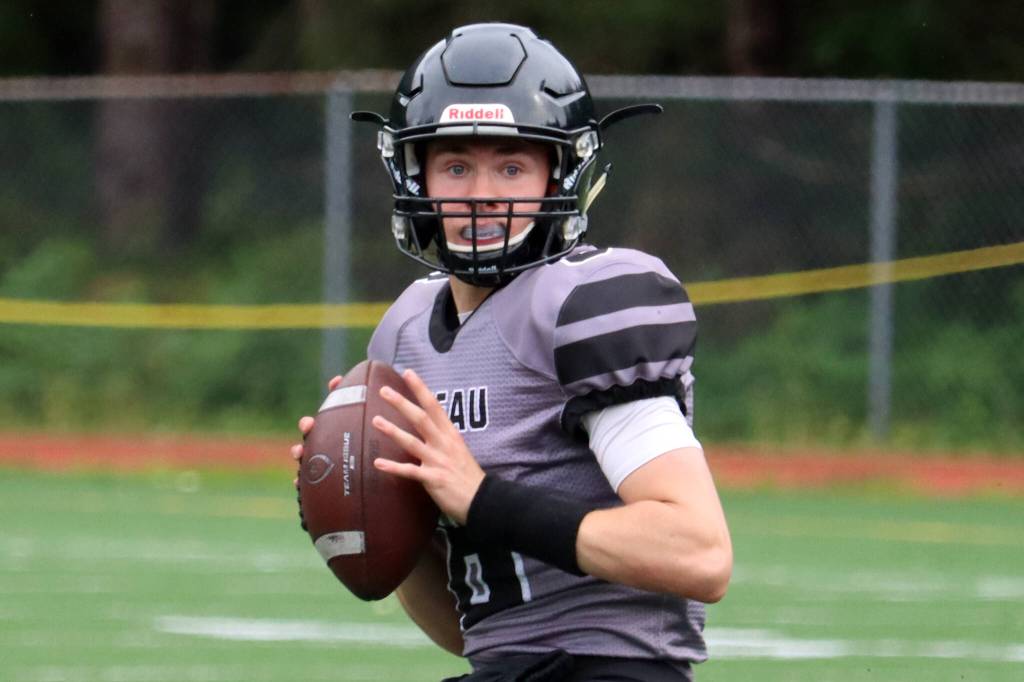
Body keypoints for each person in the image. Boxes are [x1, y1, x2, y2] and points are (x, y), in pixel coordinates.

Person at [291, 22, 732, 682]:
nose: (481, 193)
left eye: (512, 165)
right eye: (457, 165)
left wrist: (483, 499)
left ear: (564, 171)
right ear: (416, 176)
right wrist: (374, 512)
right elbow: (475, 636)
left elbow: (699, 554)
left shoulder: (588, 301)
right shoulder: (406, 332)